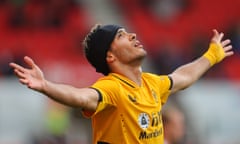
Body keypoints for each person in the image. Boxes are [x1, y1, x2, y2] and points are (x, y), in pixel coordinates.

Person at [9, 24, 234, 144]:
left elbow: (183, 77)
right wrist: (46, 86)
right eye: (121, 35)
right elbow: (81, 96)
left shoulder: (151, 83)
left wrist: (213, 54)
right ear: (110, 57)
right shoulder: (112, 87)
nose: (133, 35)